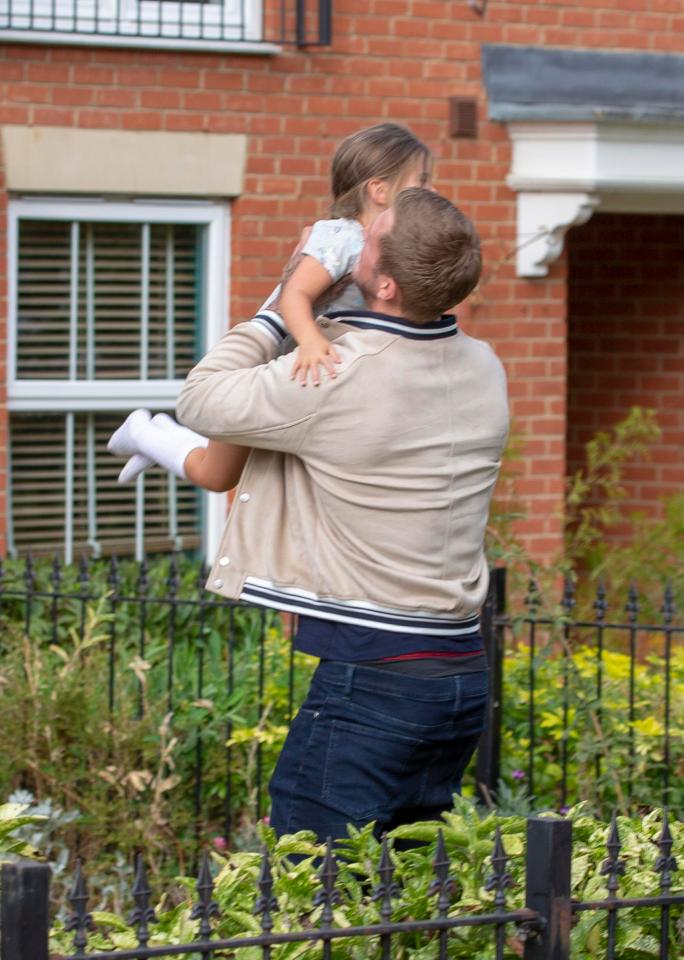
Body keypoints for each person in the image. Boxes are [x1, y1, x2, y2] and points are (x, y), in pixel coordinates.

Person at [172, 187, 509, 842]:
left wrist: (286, 302)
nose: (355, 233)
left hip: (375, 685)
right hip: (460, 676)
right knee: (410, 896)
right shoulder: (484, 367)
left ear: (384, 283)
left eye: (371, 231)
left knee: (317, 896)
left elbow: (201, 398)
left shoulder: (339, 377)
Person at [107, 122, 432, 488]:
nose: (430, 190)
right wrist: (310, 341)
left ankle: (156, 434)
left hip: (301, 374)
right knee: (218, 474)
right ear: (380, 190)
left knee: (224, 472)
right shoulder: (341, 238)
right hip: (271, 364)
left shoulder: (386, 246)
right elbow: (294, 295)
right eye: (421, 181)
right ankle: (143, 432)